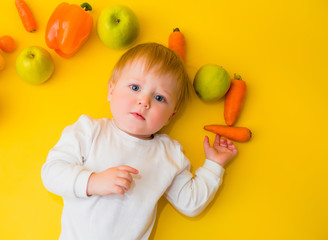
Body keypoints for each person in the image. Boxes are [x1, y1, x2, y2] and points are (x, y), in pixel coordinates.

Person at [41, 42, 238, 240]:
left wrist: (214, 165)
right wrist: (93, 181)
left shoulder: (168, 154)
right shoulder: (89, 130)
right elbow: (52, 172)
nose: (144, 101)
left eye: (160, 98)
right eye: (135, 87)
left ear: (170, 116)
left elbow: (191, 203)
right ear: (111, 90)